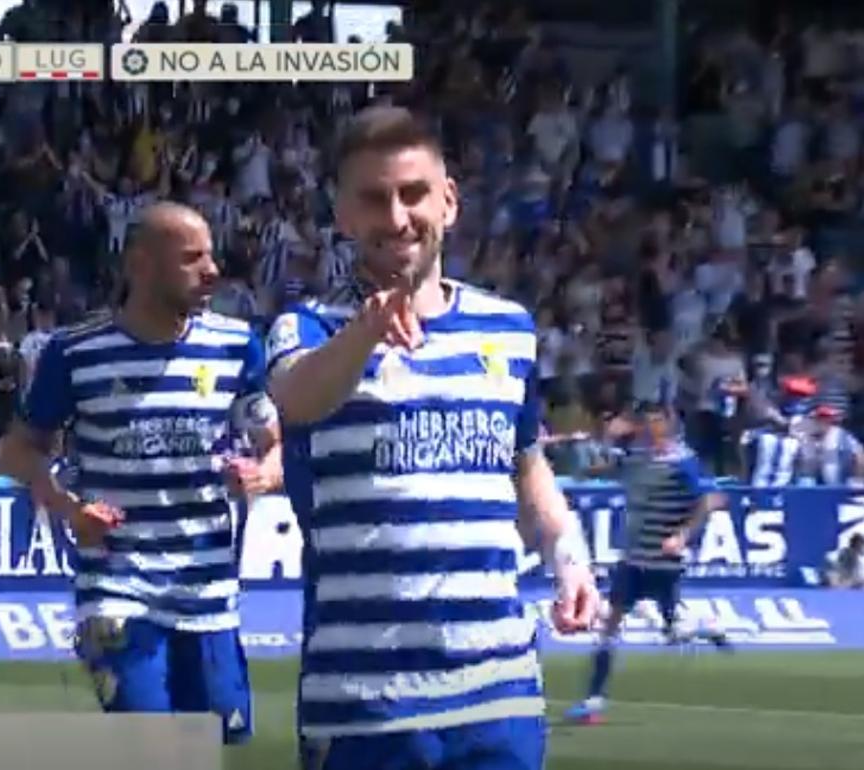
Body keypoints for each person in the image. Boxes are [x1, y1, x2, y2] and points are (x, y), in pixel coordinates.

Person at [264, 107, 598, 770]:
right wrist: (365, 332)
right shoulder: (307, 329)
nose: (396, 218)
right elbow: (298, 398)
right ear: (343, 215)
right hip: (365, 708)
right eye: (373, 199)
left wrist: (570, 557)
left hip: (500, 700)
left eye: (413, 193)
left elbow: (525, 465)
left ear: (448, 201)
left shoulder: (508, 329)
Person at [0, 202, 282, 745]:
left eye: (211, 256)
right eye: (192, 259)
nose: (212, 271)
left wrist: (262, 475)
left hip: (207, 586)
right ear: (141, 265)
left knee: (213, 742)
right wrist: (69, 508)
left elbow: (274, 444)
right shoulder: (76, 352)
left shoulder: (235, 345)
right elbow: (17, 449)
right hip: (117, 582)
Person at [566, 402, 729, 725]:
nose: (652, 428)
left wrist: (682, 535)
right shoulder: (636, 458)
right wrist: (605, 438)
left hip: (665, 559)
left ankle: (703, 624)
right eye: (647, 422)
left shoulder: (682, 462)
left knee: (673, 634)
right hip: (633, 558)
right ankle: (593, 698)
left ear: (668, 425)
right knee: (609, 626)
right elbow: (597, 468)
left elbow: (709, 501)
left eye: (657, 422)